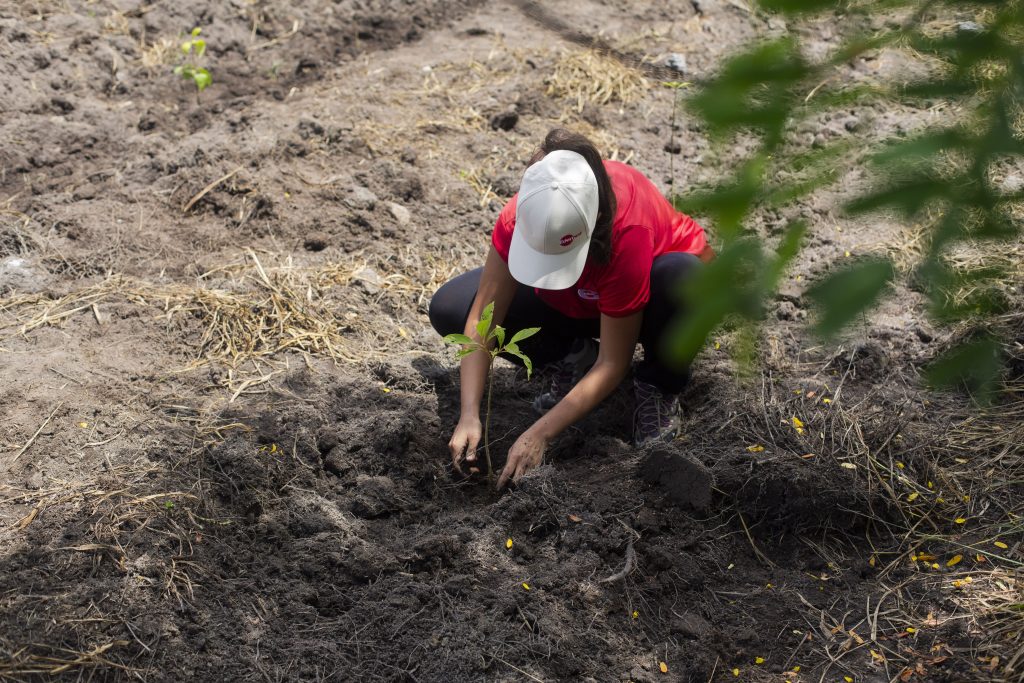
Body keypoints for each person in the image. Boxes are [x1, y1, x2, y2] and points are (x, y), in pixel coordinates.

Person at [429, 129, 714, 489]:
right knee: (450, 308)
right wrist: (469, 413)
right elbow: (481, 319)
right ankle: (572, 356)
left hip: (651, 297)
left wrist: (540, 434)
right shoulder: (526, 212)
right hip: (582, 296)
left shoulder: (627, 231)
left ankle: (657, 384)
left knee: (683, 278)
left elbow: (614, 361)